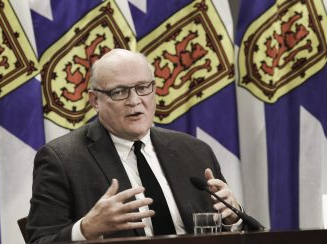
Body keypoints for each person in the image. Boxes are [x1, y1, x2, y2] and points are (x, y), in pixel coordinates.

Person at [26, 49, 242, 243]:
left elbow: (234, 232)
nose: (134, 100)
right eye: (119, 92)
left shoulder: (194, 151)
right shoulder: (62, 158)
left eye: (142, 87)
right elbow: (40, 240)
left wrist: (233, 217)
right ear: (94, 101)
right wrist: (85, 229)